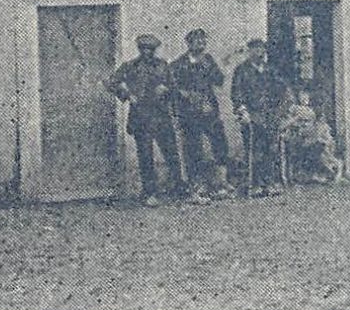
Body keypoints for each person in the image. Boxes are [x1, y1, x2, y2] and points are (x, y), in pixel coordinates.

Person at [106, 34, 188, 206]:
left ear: (155, 50)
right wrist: (127, 94)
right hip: (140, 117)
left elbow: (174, 86)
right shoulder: (130, 66)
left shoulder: (163, 66)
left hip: (161, 115)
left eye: (150, 49)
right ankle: (149, 193)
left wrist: (165, 89)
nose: (147, 52)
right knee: (145, 156)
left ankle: (178, 187)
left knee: (171, 152)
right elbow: (111, 82)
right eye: (143, 49)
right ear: (139, 49)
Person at [169, 28, 234, 198]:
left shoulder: (208, 61)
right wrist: (186, 95)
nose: (202, 44)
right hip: (189, 114)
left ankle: (221, 182)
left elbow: (218, 81)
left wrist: (223, 66)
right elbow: (172, 88)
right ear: (189, 43)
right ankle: (197, 185)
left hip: (209, 110)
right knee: (193, 148)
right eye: (198, 41)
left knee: (220, 143)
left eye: (204, 41)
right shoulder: (178, 64)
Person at [230, 38, 289, 196]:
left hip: (269, 115)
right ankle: (255, 184)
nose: (259, 52)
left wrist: (280, 111)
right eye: (255, 49)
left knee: (271, 148)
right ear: (249, 51)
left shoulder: (270, 70)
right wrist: (242, 111)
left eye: (261, 49)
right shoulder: (241, 71)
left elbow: (281, 90)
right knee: (254, 149)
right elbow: (236, 92)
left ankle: (269, 183)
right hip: (252, 115)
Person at [281, 88, 341, 184]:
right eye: (302, 97)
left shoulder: (311, 112)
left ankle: (330, 170)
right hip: (299, 135)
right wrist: (297, 120)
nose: (304, 99)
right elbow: (289, 122)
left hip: (310, 134)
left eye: (306, 98)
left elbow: (313, 123)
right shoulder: (295, 109)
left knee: (323, 146)